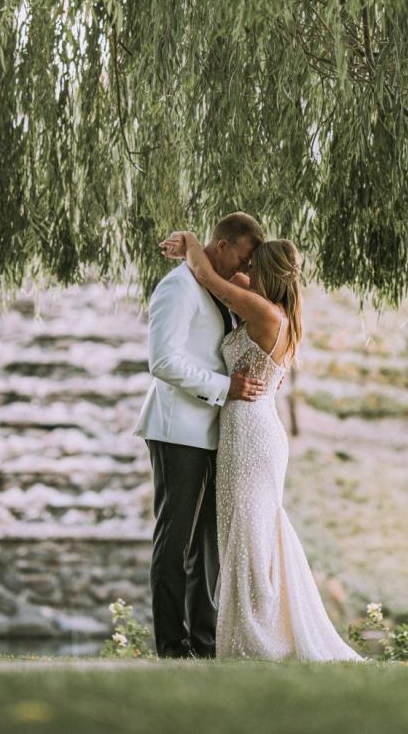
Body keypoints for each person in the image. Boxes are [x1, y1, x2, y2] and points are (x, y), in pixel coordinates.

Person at [159, 229, 363, 662]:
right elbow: (221, 274)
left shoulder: (262, 311)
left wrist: (192, 241)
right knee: (248, 531)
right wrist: (207, 253)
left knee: (248, 536)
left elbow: (208, 277)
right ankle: (254, 629)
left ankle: (259, 636)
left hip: (249, 433)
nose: (245, 271)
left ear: (267, 273)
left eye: (253, 266)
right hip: (249, 428)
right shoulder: (275, 310)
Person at [133, 212, 265, 658]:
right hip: (177, 431)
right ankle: (173, 646)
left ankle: (205, 645)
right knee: (175, 542)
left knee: (207, 545)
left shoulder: (215, 285)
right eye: (242, 257)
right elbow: (163, 361)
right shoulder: (177, 288)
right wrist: (225, 388)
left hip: (213, 432)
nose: (244, 268)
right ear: (222, 245)